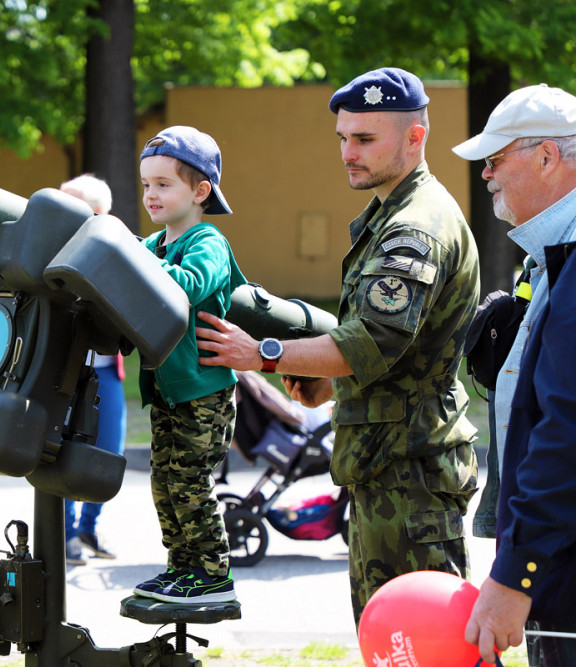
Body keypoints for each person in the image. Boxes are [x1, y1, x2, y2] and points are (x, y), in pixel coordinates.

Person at [195, 67, 480, 624]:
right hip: (390, 464)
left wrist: (263, 353)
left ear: (415, 137)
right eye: (343, 138)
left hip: (410, 474)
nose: (348, 152)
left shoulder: (414, 228)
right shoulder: (391, 215)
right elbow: (391, 350)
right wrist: (330, 380)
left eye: (365, 139)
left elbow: (368, 341)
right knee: (390, 640)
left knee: (426, 643)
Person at [451, 84, 576, 666]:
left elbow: (566, 430)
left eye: (495, 158)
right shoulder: (550, 257)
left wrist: (516, 572)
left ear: (547, 156)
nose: (485, 174)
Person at [132, 126, 246, 604]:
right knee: (164, 484)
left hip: (203, 391)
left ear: (200, 192)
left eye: (163, 184)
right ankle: (181, 568)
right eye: (146, 184)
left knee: (190, 482)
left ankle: (212, 573)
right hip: (168, 390)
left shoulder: (207, 242)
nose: (151, 194)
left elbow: (189, 284)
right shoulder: (151, 246)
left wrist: (129, 262)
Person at [58, 174, 127, 566]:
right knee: (63, 450)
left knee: (109, 451)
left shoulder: (113, 252)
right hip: (65, 372)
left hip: (106, 372)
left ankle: (88, 527)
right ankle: (66, 533)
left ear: (98, 214)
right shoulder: (53, 248)